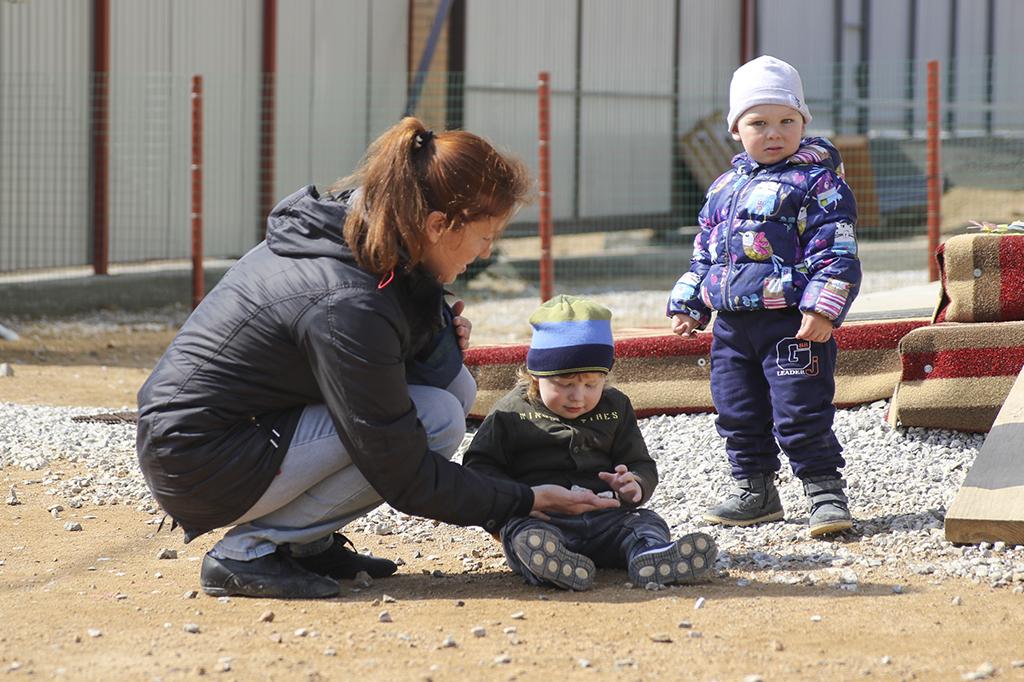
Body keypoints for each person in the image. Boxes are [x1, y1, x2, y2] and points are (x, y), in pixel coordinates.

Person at [136, 118, 620, 599]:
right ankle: (247, 552)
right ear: (438, 225)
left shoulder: (368, 233)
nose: (486, 252)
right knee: (436, 418)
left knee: (454, 388)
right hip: (198, 460)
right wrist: (523, 500)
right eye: (485, 235)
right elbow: (401, 470)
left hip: (240, 430)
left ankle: (303, 541)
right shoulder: (347, 300)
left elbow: (382, 359)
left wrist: (432, 332)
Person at [667, 55, 862, 537]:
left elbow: (836, 250)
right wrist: (690, 303)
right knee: (737, 410)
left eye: (787, 121)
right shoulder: (723, 189)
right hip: (733, 328)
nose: (774, 133)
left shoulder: (818, 183)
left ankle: (824, 492)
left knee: (800, 409)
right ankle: (754, 491)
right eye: (758, 123)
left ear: (803, 123)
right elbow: (705, 254)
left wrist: (823, 309)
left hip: (792, 324)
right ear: (736, 129)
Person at [463, 295, 717, 590]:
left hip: (606, 519)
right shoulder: (511, 412)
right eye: (565, 384)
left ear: (605, 377)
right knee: (521, 533)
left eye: (591, 384)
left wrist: (634, 484)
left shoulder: (616, 406)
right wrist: (518, 500)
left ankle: (650, 556)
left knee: (646, 522)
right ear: (535, 376)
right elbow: (479, 467)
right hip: (543, 517)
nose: (578, 396)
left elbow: (639, 462)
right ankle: (548, 562)